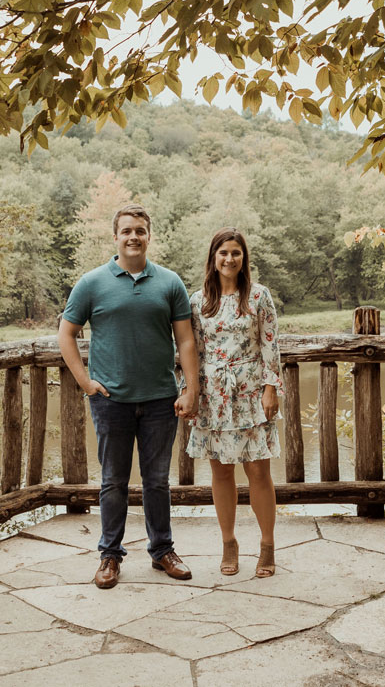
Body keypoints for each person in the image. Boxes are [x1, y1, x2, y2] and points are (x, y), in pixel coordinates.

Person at [58, 203, 200, 590]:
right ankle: (109, 556)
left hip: (160, 400)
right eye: (126, 231)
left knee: (157, 481)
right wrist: (86, 382)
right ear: (116, 237)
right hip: (110, 400)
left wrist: (190, 387)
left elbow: (185, 340)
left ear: (149, 235)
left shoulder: (169, 283)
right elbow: (66, 333)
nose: (133, 237)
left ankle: (162, 552)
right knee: (112, 481)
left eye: (140, 230)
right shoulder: (91, 283)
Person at [186, 227, 281, 578]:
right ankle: (229, 542)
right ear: (214, 257)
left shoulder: (258, 296)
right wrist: (191, 391)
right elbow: (191, 351)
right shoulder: (198, 301)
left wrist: (271, 388)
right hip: (214, 394)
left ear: (244, 259)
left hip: (251, 390)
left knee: (258, 470)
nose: (229, 259)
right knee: (221, 471)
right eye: (224, 253)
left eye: (236, 253)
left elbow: (271, 344)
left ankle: (267, 545)